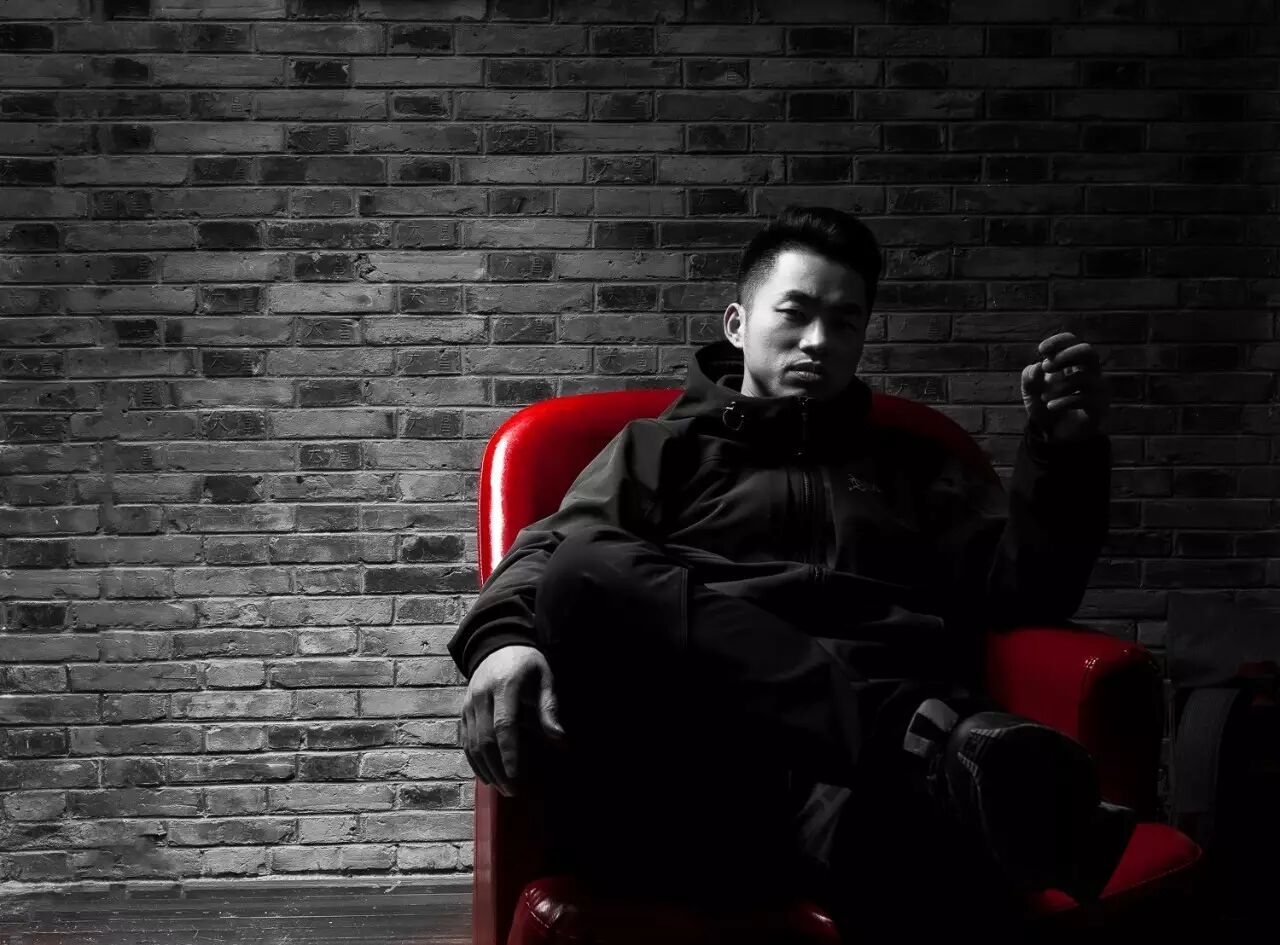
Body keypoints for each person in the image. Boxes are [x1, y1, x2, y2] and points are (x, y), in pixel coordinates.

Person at [447, 205, 1130, 939]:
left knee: (918, 853)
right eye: (796, 313)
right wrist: (502, 640)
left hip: (863, 796)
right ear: (738, 324)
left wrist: (1062, 455)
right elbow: (554, 556)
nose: (818, 341)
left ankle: (950, 774)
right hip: (703, 773)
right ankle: (920, 740)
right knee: (588, 567)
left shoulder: (916, 466)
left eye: (844, 322)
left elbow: (1027, 592)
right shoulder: (661, 448)